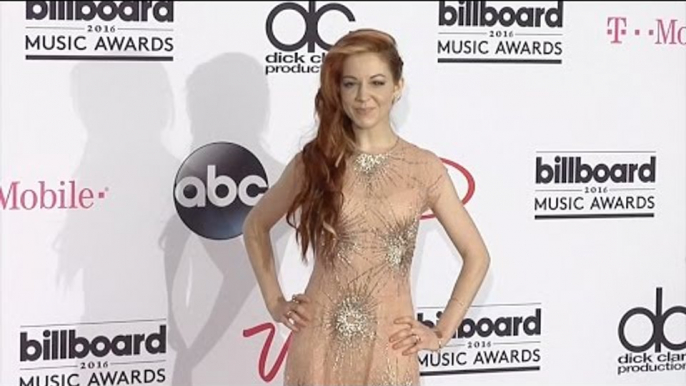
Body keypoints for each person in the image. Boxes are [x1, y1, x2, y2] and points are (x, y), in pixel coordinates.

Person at [243, 28, 490, 386]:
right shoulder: (315, 162)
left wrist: (441, 331)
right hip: (318, 346)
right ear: (337, 91)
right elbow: (255, 227)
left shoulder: (424, 167)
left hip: (390, 348)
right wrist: (274, 302)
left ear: (397, 87)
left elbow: (477, 255)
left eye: (376, 82)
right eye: (350, 84)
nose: (363, 97)